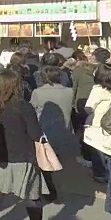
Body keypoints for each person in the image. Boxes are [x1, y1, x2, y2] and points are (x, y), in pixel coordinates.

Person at [0, 69, 46, 220]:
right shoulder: (24, 106)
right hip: (24, 157)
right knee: (32, 196)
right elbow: (35, 134)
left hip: (0, 156)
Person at [29, 65, 75, 203]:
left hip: (46, 133)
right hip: (65, 131)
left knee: (47, 164)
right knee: (63, 163)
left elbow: (32, 109)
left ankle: (51, 191)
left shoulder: (37, 92)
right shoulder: (69, 91)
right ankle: (61, 189)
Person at [84, 63, 111, 183]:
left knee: (97, 149)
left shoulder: (98, 90)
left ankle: (100, 174)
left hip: (99, 124)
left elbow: (89, 108)